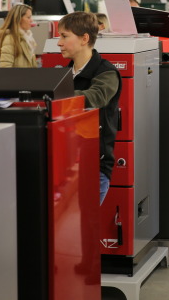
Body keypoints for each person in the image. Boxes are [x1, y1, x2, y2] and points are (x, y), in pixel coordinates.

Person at [57, 11, 122, 204]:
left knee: (85, 229)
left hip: (94, 166)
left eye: (64, 36)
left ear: (84, 38)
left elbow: (95, 97)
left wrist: (54, 97)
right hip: (67, 167)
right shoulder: (64, 74)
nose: (59, 42)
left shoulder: (107, 73)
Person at [0, 4, 38, 68]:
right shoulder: (10, 39)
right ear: (18, 19)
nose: (31, 20)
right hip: (17, 78)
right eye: (28, 17)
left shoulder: (28, 39)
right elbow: (5, 69)